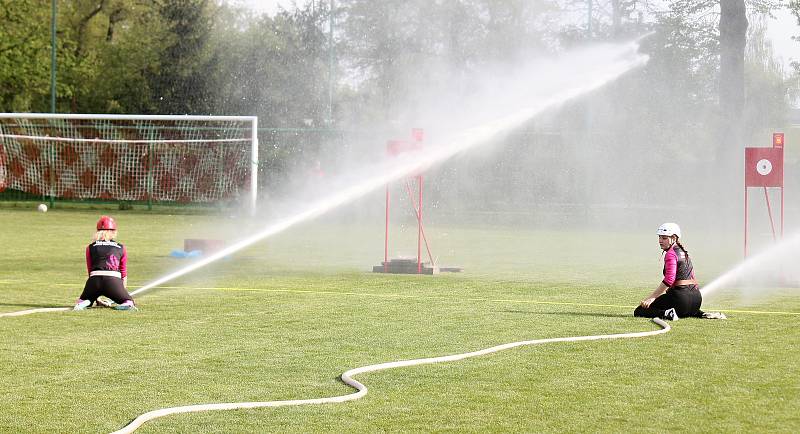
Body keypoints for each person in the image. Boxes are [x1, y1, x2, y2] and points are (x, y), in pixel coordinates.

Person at [634, 222, 703, 320]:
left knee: (640, 311)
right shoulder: (683, 252)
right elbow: (692, 277)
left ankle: (667, 314)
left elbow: (669, 279)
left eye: (664, 238)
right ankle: (700, 313)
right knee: (681, 308)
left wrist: (652, 297)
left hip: (681, 301)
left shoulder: (670, 254)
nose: (660, 241)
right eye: (659, 237)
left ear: (674, 238)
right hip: (696, 301)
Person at [73, 215, 136, 311]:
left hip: (94, 281)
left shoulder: (90, 247)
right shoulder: (121, 247)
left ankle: (84, 302)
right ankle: (126, 304)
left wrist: (96, 297)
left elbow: (90, 271)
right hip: (113, 281)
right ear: (113, 232)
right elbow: (123, 273)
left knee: (84, 299)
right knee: (128, 301)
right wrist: (121, 292)